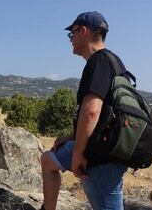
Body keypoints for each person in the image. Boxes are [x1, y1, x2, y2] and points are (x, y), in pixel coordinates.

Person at [40, 11, 128, 210]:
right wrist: (72, 137)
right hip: (101, 145)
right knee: (48, 160)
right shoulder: (114, 61)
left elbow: (92, 112)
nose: (71, 40)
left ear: (84, 32)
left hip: (99, 155)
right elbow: (107, 113)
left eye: (72, 34)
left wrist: (78, 154)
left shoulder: (98, 62)